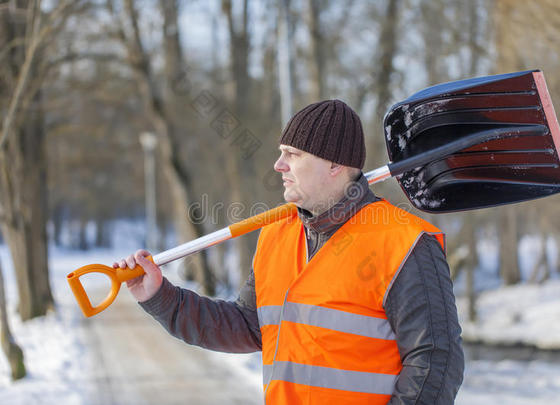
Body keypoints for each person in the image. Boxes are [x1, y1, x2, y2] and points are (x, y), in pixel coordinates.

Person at [114, 99, 464, 404]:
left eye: (293, 155)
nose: (278, 165)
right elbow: (247, 326)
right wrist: (161, 296)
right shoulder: (275, 237)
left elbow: (436, 361)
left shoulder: (403, 244)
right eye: (281, 153)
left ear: (334, 165)